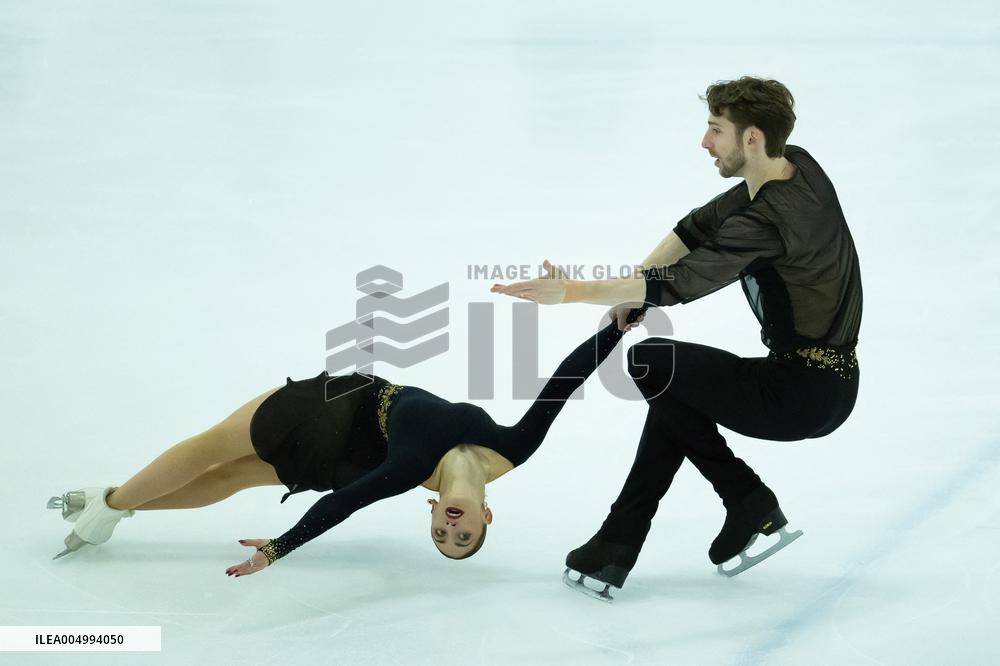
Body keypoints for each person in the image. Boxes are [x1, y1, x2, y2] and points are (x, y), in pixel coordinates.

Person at [491, 76, 862, 595]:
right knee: (672, 389)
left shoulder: (769, 221)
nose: (705, 142)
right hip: (829, 385)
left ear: (752, 137)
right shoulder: (797, 167)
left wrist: (569, 292)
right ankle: (622, 540)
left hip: (798, 396)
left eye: (716, 130)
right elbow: (695, 229)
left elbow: (679, 282)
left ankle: (741, 497)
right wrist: (634, 291)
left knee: (652, 363)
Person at [48, 319, 635, 576]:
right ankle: (111, 507)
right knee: (216, 452)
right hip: (345, 407)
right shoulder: (514, 448)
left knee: (228, 471)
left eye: (441, 536)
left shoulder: (409, 470)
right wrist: (617, 327)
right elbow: (564, 383)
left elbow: (341, 505)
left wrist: (277, 549)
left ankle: (111, 505)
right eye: (464, 537)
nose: (450, 530)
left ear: (432, 512)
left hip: (343, 445)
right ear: (486, 515)